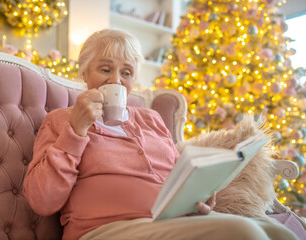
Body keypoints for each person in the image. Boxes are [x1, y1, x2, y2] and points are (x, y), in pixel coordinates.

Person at [23, 29, 298, 240]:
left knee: (280, 232)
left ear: (133, 81)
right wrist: (77, 129)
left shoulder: (151, 119)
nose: (116, 80)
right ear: (85, 72)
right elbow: (43, 200)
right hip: (105, 229)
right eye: (105, 69)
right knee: (243, 232)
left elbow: (175, 180)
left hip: (173, 222)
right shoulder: (62, 120)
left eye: (126, 73)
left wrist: (200, 199)